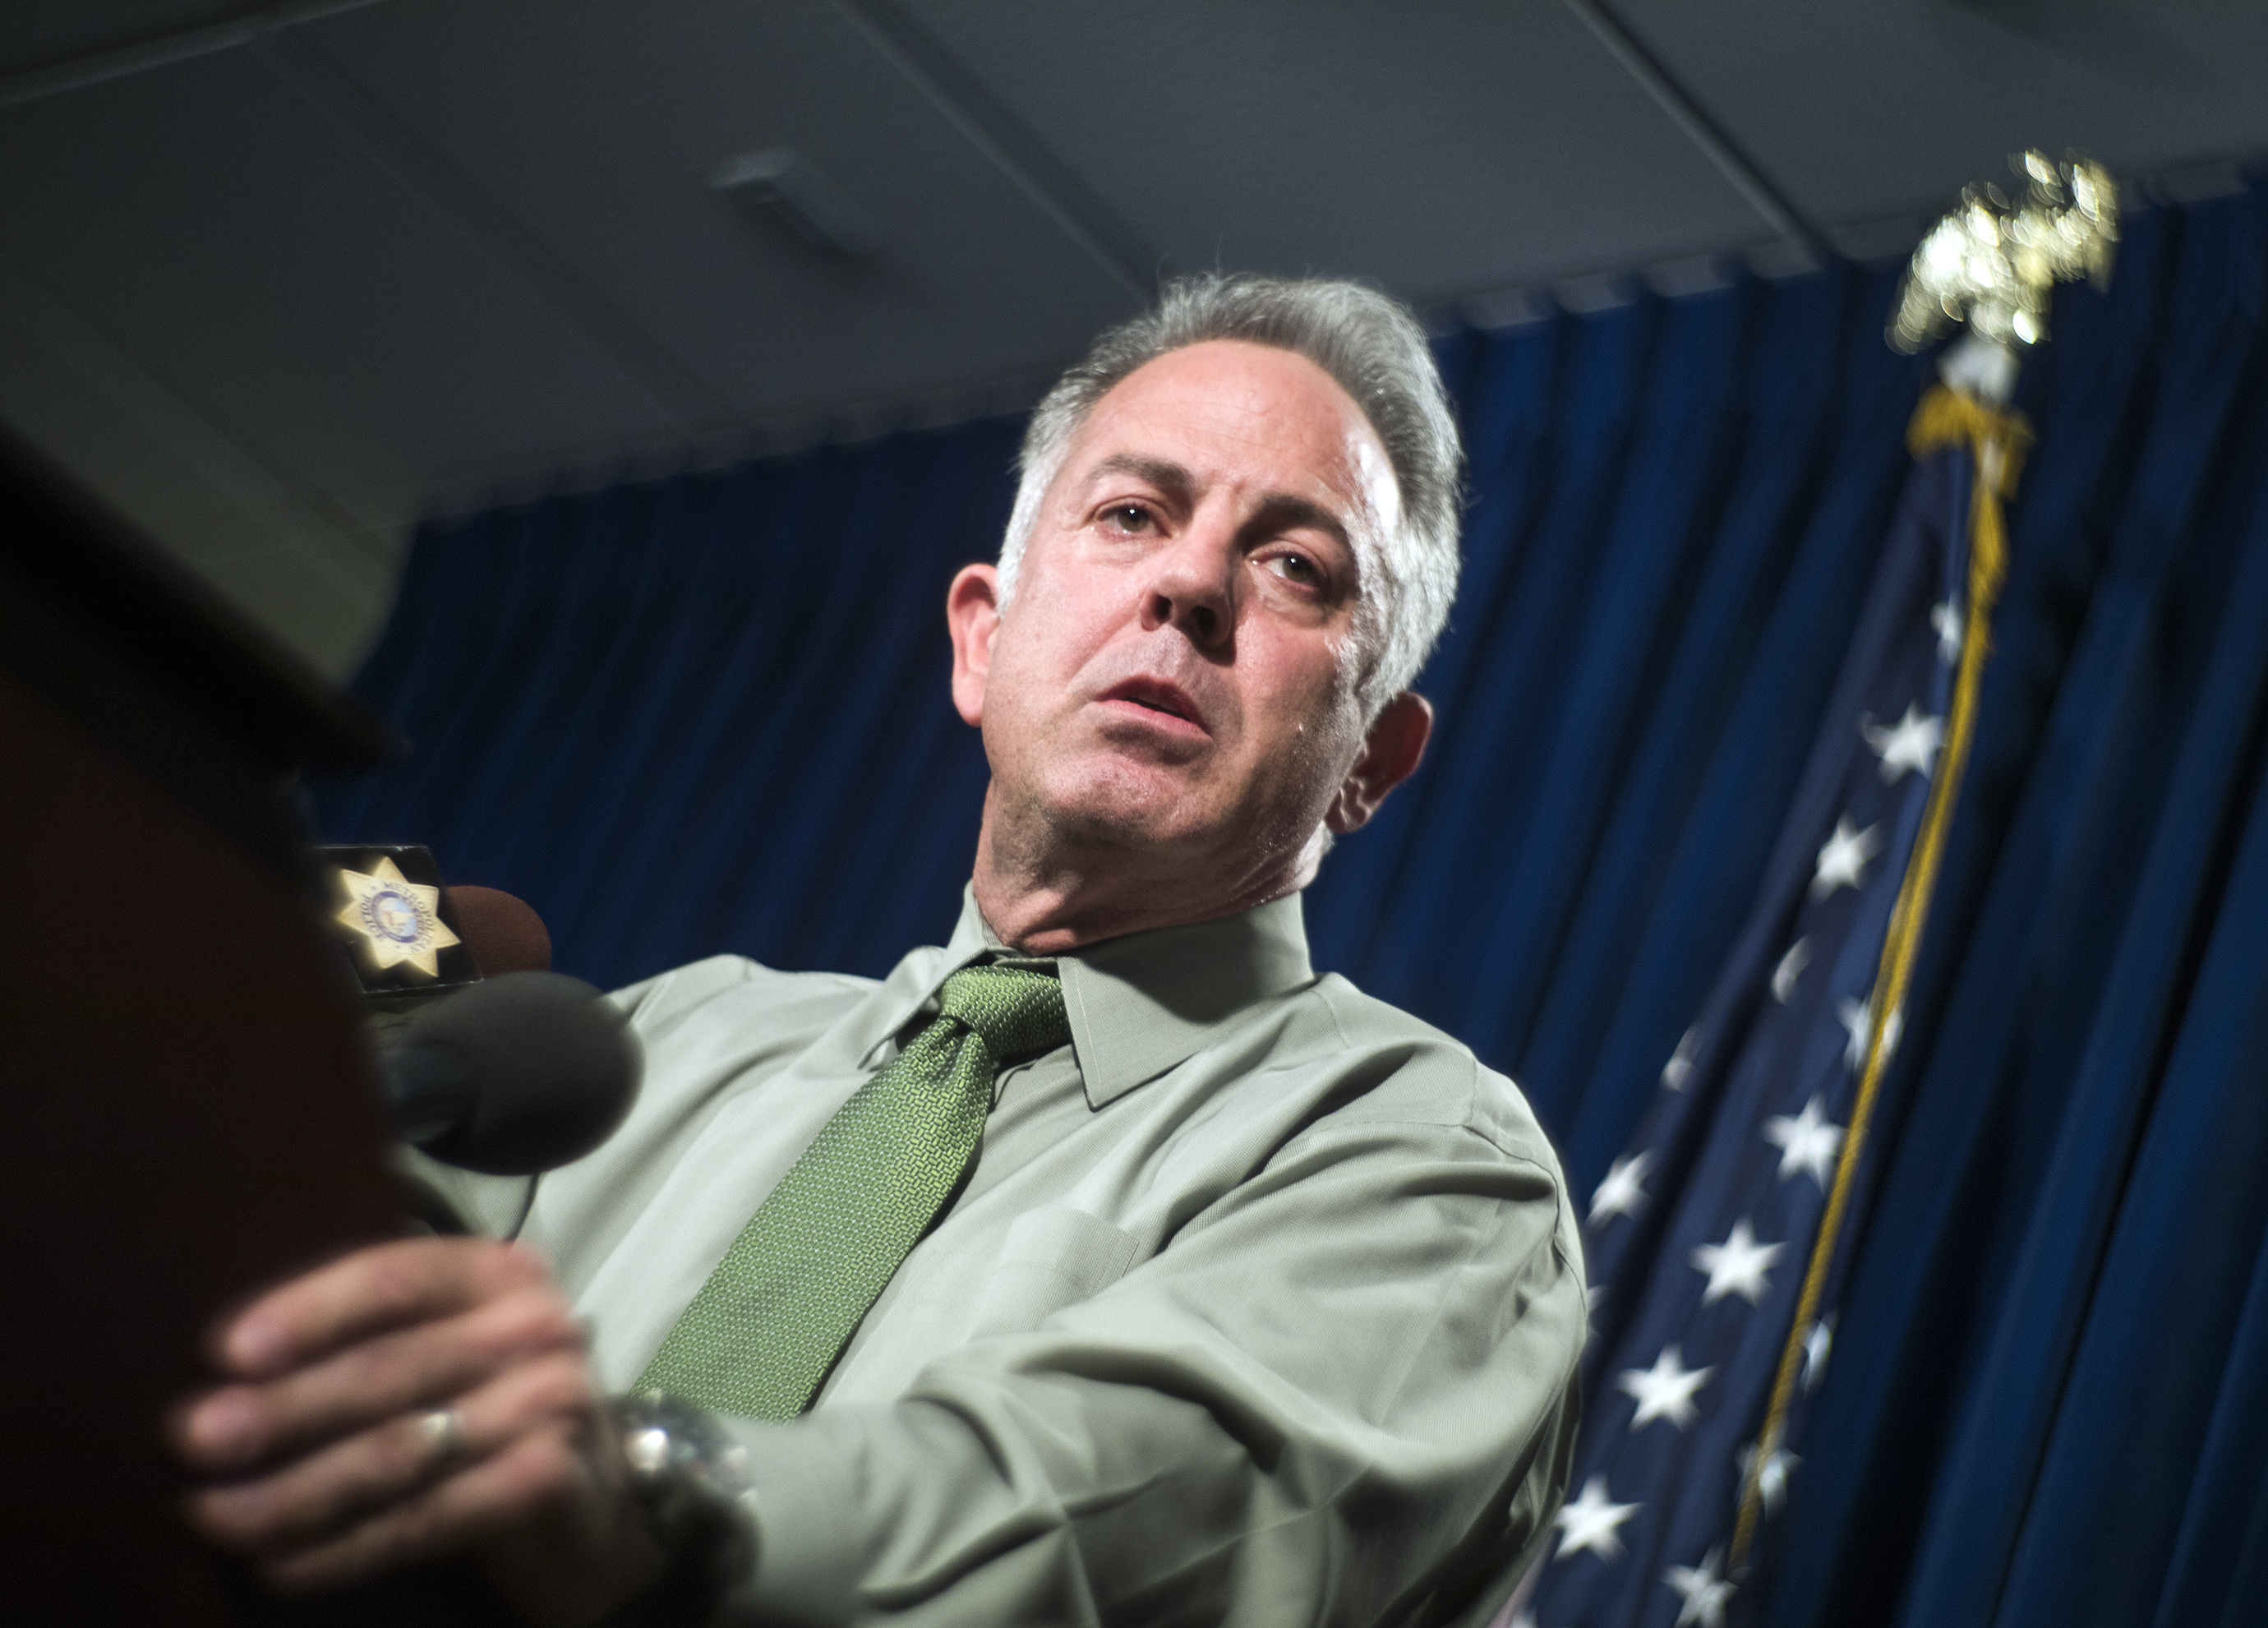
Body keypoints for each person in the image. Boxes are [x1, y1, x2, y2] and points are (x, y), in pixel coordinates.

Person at [173, 274, 1587, 1626]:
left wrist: (654, 1494)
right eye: (1131, 512)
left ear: (1372, 766)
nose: (1190, 584)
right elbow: (270, 1266)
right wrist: (219, 927)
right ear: (983, 639)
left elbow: (1114, 1514)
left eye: (1295, 564)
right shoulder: (662, 1037)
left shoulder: (1431, 1162)